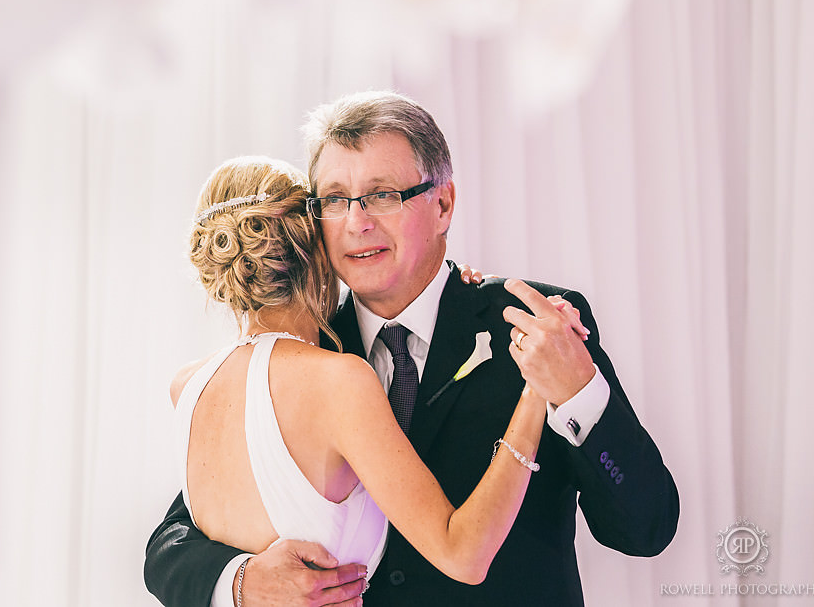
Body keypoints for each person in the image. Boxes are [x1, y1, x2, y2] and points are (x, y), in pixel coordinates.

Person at [145, 91, 679, 607]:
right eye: (335, 199)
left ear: (443, 204)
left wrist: (578, 394)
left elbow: (646, 529)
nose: (357, 222)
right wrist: (240, 583)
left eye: (383, 194)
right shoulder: (307, 359)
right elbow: (174, 541)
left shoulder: (537, 324)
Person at [170, 154, 549, 601]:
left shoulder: (187, 387)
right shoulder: (338, 380)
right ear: (316, 247)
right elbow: (463, 554)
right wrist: (537, 390)